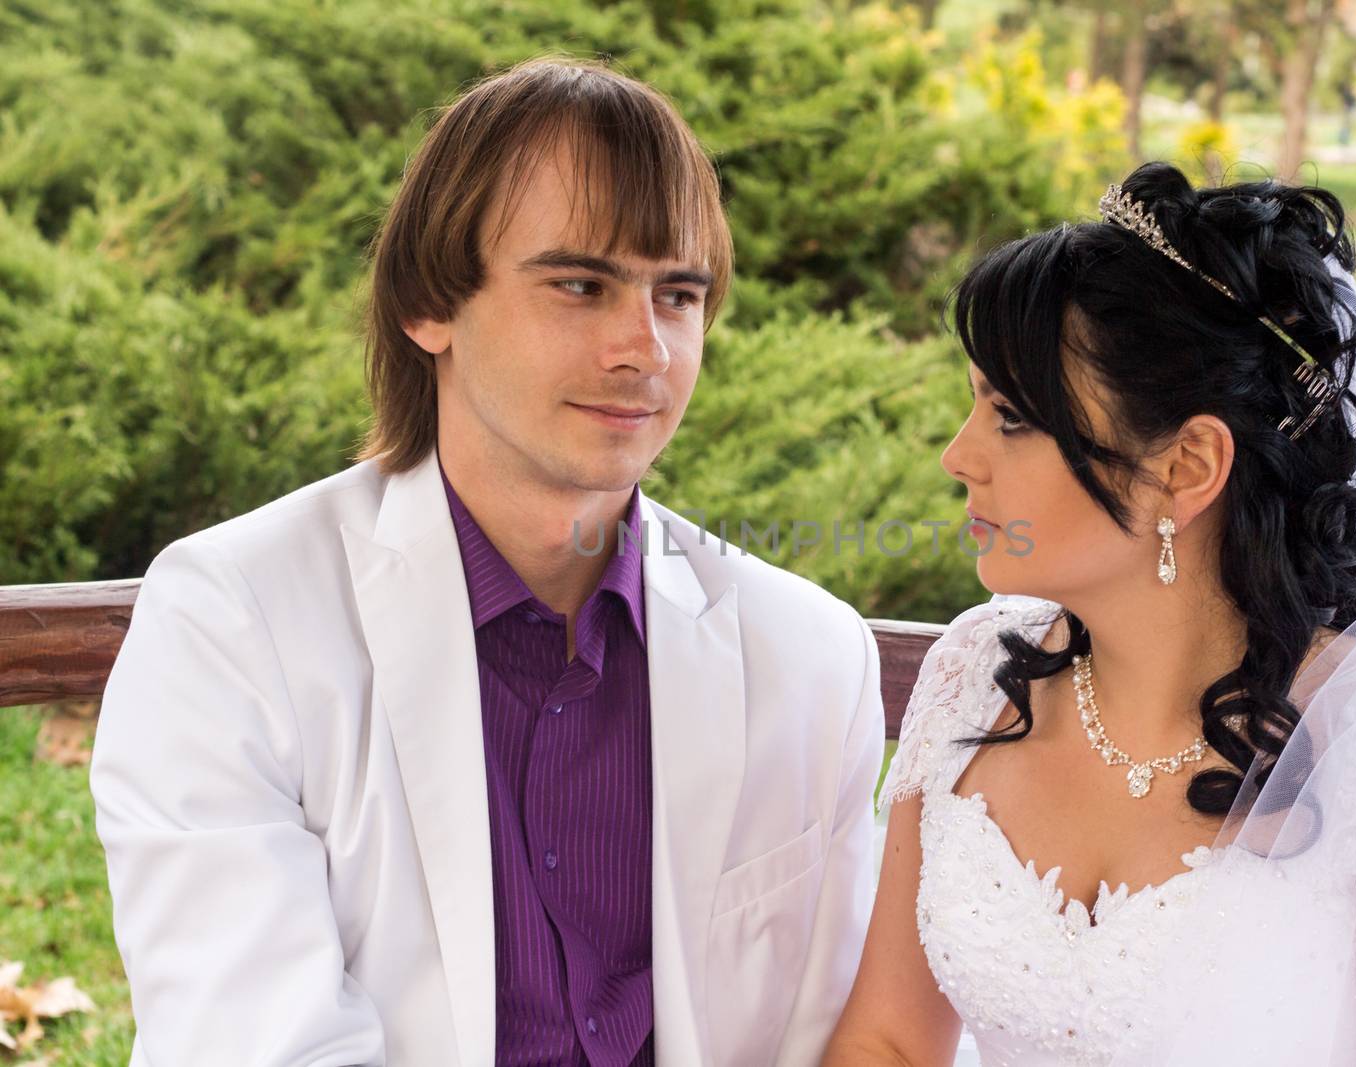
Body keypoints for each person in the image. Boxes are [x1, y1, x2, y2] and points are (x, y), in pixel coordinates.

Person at [90, 58, 884, 1067]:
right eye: (581, 284)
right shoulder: (233, 620)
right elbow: (259, 1044)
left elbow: (838, 1034)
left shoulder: (806, 652)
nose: (643, 348)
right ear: (430, 303)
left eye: (677, 295)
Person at [825, 162, 1356, 1065]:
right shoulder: (975, 673)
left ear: (1188, 464)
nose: (957, 455)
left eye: (1012, 417)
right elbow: (888, 1038)